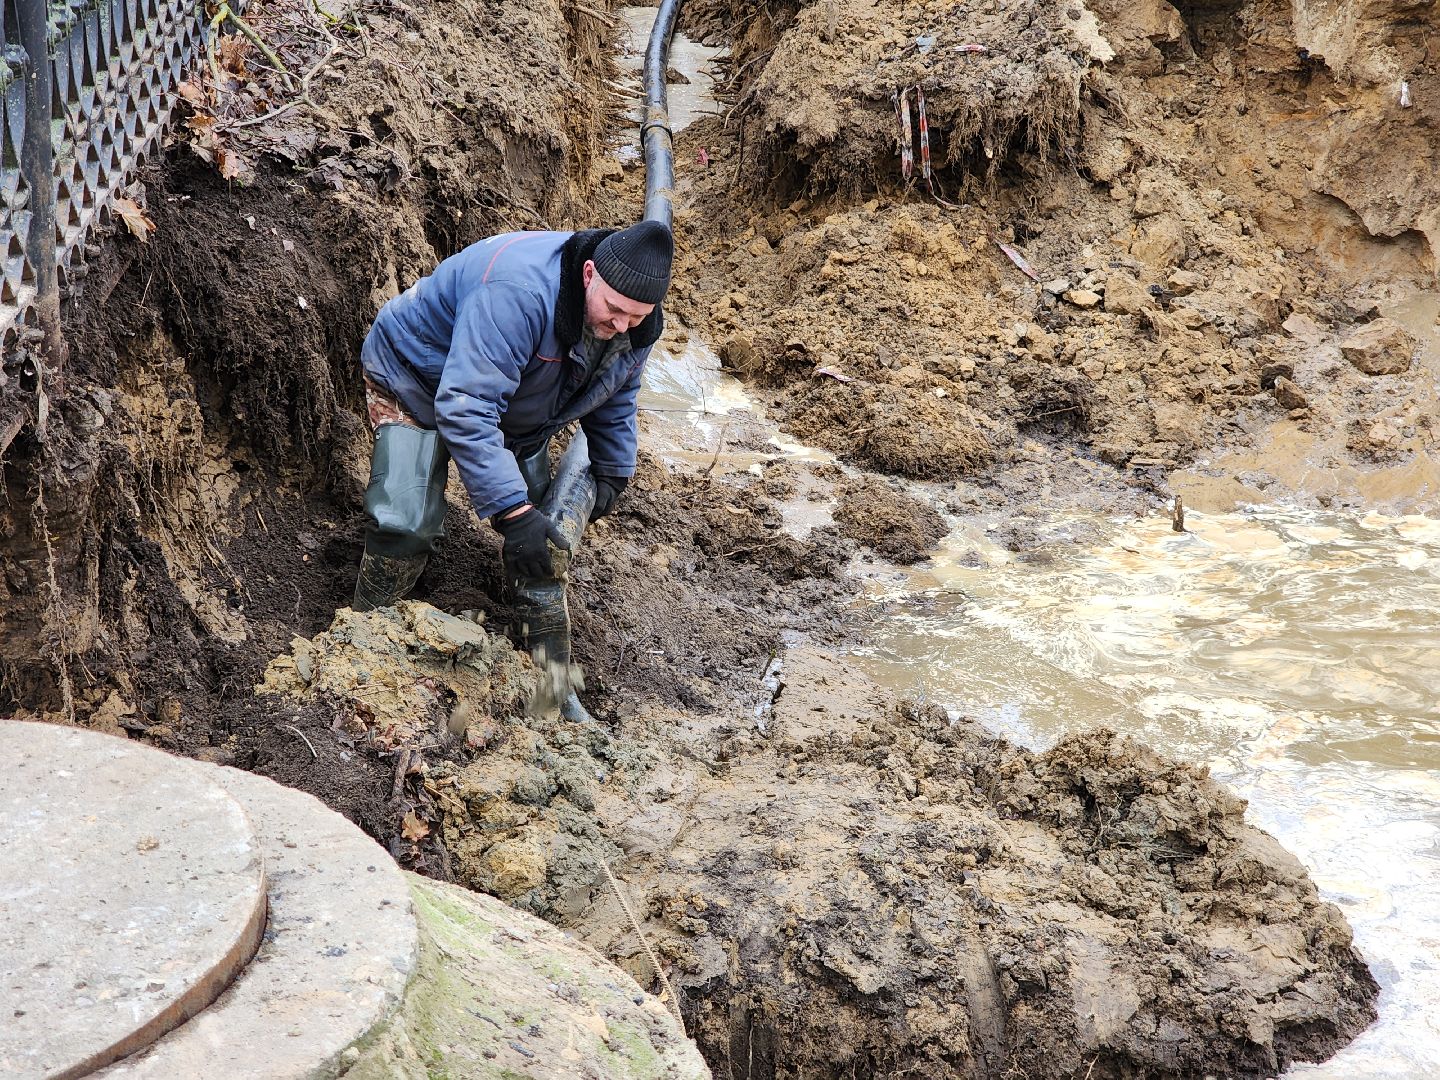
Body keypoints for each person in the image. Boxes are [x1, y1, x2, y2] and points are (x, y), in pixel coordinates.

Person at [351, 220, 673, 611]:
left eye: (636, 317)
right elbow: (467, 406)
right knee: (405, 523)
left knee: (545, 526)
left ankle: (527, 624)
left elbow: (614, 392)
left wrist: (613, 468)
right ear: (589, 274)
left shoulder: (634, 324)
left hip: (507, 396)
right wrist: (512, 511)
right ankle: (369, 624)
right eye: (615, 310)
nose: (622, 325)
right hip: (414, 375)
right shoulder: (517, 294)